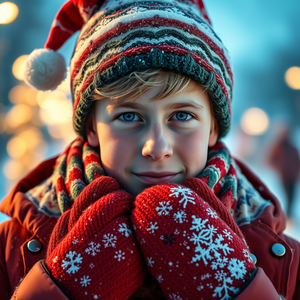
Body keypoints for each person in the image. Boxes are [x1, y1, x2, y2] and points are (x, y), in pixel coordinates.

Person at [0, 0, 299, 299]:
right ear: (92, 127)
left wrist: (240, 289)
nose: (156, 148)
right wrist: (58, 290)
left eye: (182, 116)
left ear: (213, 128)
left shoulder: (288, 264)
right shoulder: (8, 253)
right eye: (128, 116)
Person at [268, 124, 300, 218]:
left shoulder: (292, 147)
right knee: (285, 196)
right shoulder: (278, 146)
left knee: (292, 197)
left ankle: (289, 215)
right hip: (283, 177)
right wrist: (280, 167)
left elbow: (297, 161)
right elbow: (271, 160)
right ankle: (283, 216)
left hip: (293, 177)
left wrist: (296, 171)